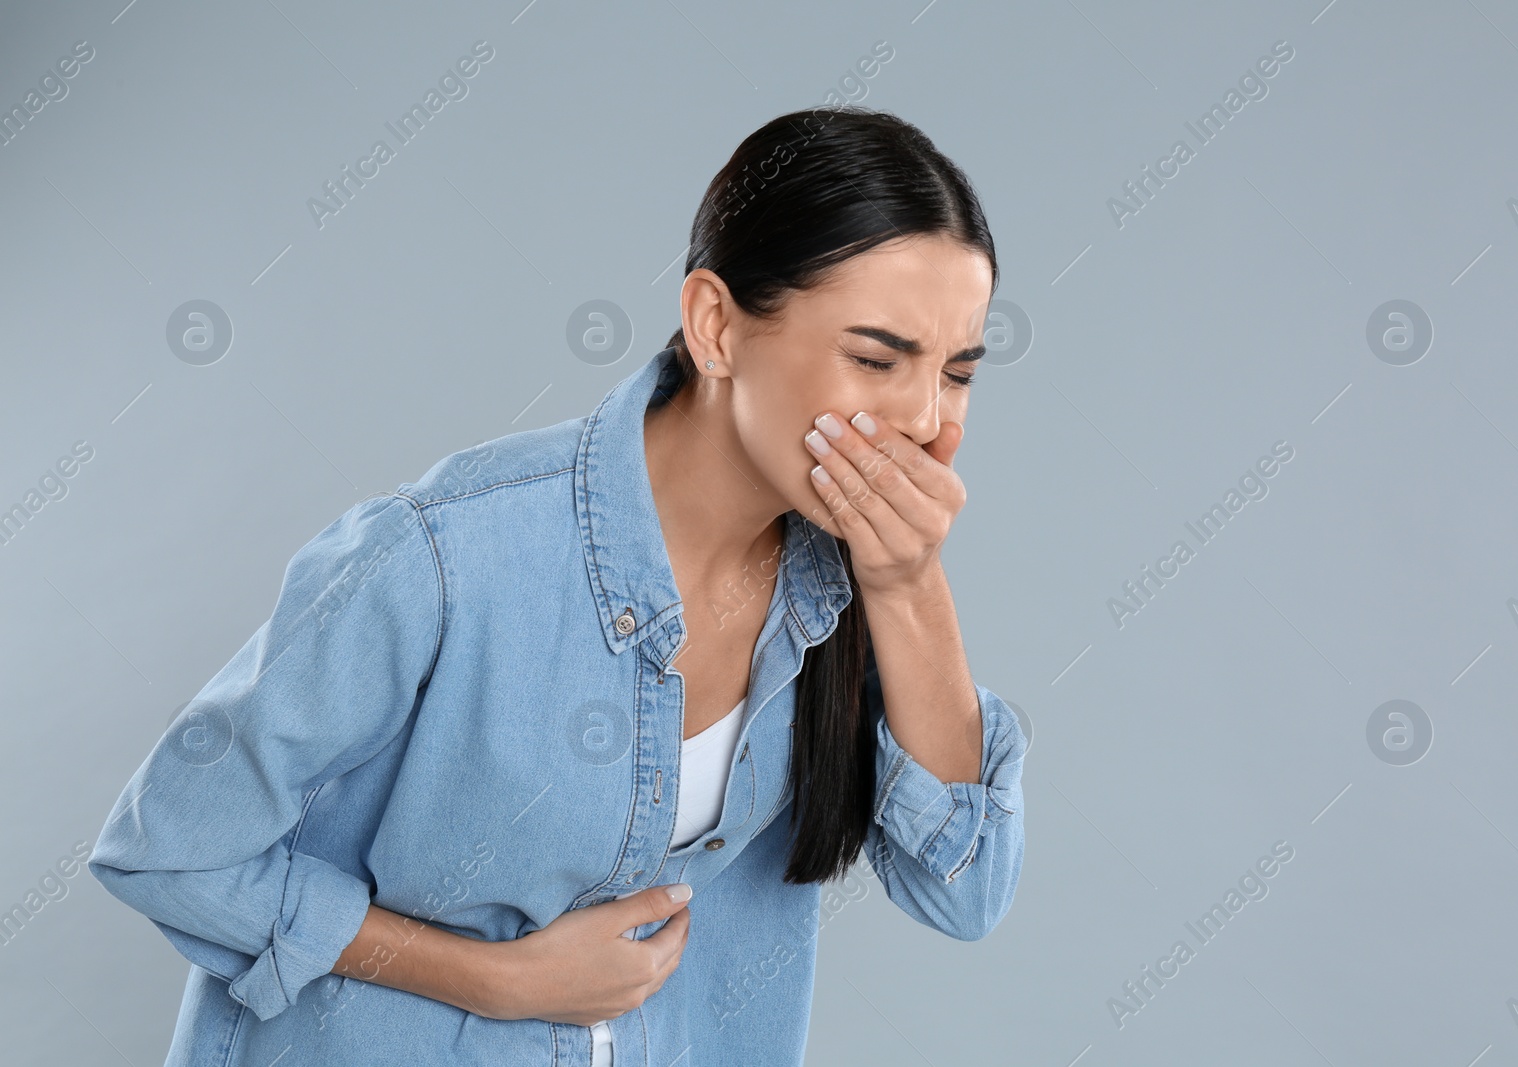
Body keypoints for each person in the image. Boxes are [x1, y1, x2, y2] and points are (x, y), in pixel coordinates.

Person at [89, 104, 1027, 1067]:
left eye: (956, 374)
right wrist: (494, 978)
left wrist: (909, 584)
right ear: (715, 326)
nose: (925, 420)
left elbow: (961, 886)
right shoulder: (446, 554)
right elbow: (167, 847)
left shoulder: (842, 584)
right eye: (876, 359)